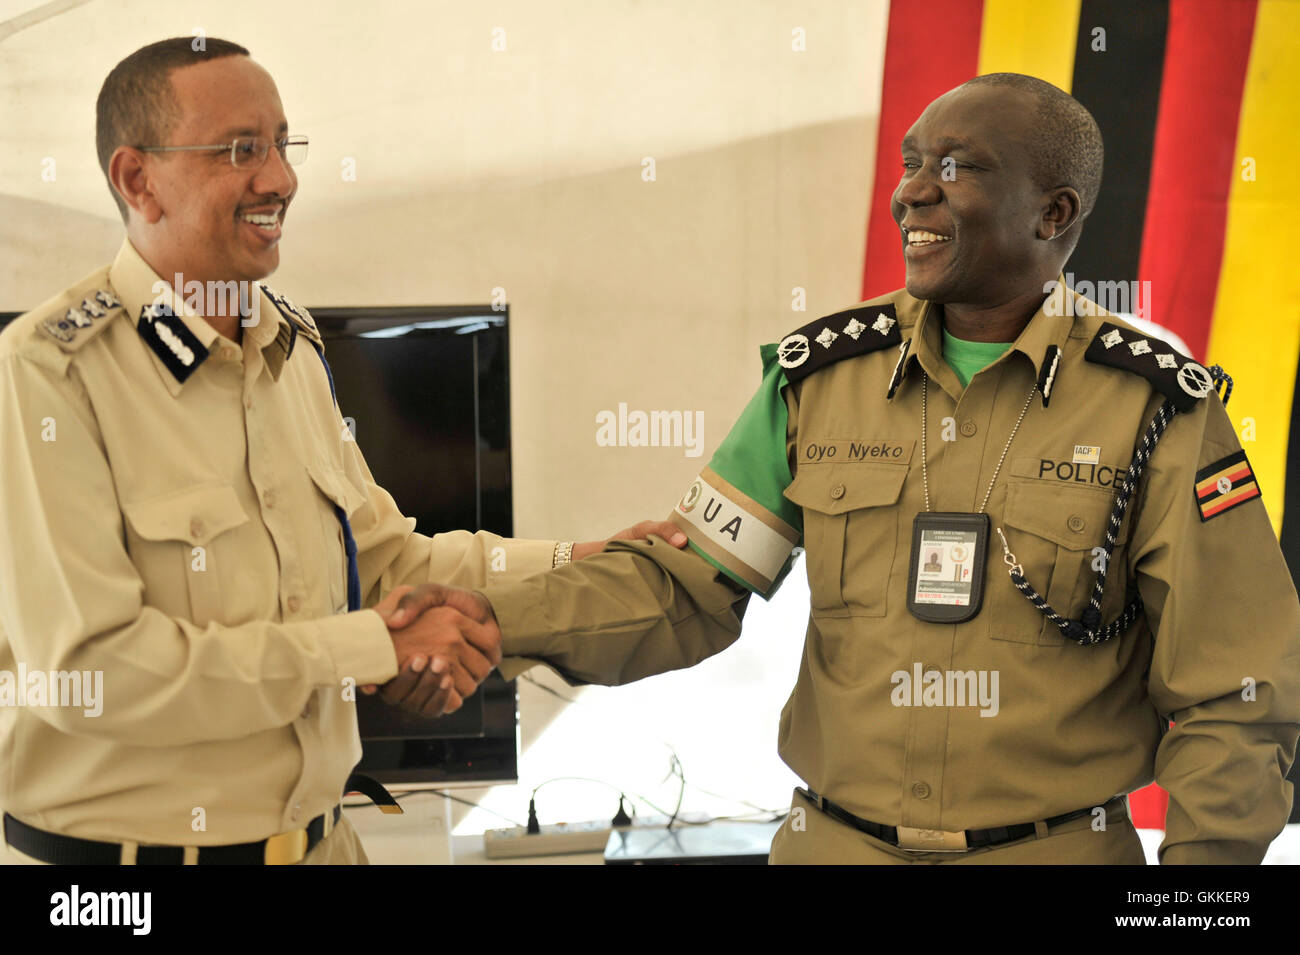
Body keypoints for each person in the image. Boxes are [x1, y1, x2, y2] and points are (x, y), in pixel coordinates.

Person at [388, 73, 1300, 864]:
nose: (911, 194)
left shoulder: (1158, 407)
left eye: (955, 168)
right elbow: (685, 588)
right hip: (833, 844)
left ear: (1054, 212)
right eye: (909, 165)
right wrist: (491, 616)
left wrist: (1198, 894)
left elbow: (1238, 695)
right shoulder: (818, 378)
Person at [0, 36, 680, 866]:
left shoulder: (288, 349)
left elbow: (389, 562)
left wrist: (588, 559)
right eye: (240, 150)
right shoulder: (47, 372)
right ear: (138, 179)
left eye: (284, 145)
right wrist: (370, 648)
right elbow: (95, 672)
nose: (280, 179)